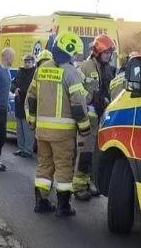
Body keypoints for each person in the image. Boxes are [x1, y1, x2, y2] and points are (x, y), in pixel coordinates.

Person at [26, 32, 90, 216]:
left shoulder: (42, 68)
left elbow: (31, 97)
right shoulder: (71, 72)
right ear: (69, 51)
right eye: (75, 53)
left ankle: (41, 202)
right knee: (63, 167)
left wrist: (32, 120)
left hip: (42, 130)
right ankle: (63, 206)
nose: (76, 57)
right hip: (62, 133)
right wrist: (85, 127)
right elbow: (78, 103)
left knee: (44, 165)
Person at [73, 34, 118, 200]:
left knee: (94, 154)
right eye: (106, 52)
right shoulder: (85, 67)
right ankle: (78, 187)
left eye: (110, 53)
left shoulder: (106, 69)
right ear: (98, 52)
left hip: (100, 119)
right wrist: (91, 96)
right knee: (84, 152)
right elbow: (76, 90)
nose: (109, 56)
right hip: (87, 118)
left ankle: (87, 182)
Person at [12, 54, 36, 158]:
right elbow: (13, 83)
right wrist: (14, 89)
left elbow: (32, 88)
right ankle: (21, 148)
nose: (26, 64)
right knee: (19, 128)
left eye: (29, 62)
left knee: (28, 129)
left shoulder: (35, 73)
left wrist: (20, 90)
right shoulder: (20, 71)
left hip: (28, 104)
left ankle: (28, 150)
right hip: (19, 103)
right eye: (25, 62)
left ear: (33, 62)